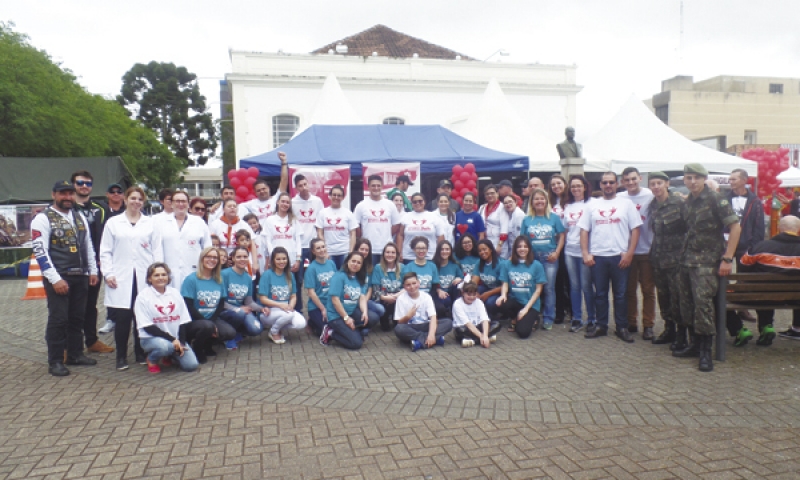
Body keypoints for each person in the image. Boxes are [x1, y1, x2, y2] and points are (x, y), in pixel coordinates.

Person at [32, 180, 100, 376]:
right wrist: (54, 279)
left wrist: (92, 271)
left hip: (80, 275)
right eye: (63, 194)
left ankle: (75, 354)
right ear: (54, 195)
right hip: (59, 276)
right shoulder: (42, 219)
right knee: (58, 319)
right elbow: (40, 252)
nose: (68, 197)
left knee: (77, 318)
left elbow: (88, 246)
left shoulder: (79, 217)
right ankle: (55, 360)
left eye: (70, 194)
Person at [677, 163, 741, 372]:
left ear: (704, 178)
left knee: (703, 306)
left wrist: (727, 258)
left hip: (707, 263)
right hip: (687, 261)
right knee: (688, 306)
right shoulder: (688, 203)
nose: (692, 181)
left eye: (696, 177)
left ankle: (706, 352)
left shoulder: (715, 198)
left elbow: (735, 227)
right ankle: (695, 345)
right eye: (688, 177)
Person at [100, 186, 164, 371]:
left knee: (141, 317)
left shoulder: (150, 223)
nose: (136, 202)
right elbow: (105, 251)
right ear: (126, 199)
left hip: (144, 276)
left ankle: (139, 352)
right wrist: (108, 273)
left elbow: (157, 251)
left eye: (140, 199)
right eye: (133, 198)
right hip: (121, 277)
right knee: (122, 318)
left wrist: (158, 275)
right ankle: (121, 356)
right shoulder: (113, 223)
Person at [577, 172, 641, 343]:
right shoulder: (592, 205)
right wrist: (585, 253)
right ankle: (601, 326)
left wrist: (630, 253)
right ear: (600, 185)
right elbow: (584, 230)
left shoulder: (626, 204)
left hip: (619, 257)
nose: (608, 185)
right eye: (604, 182)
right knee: (600, 294)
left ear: (617, 184)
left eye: (611, 182)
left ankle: (622, 327)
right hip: (598, 257)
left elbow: (635, 229)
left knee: (621, 295)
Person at [70, 170, 114, 354]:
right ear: (73, 184)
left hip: (94, 266)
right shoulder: (66, 207)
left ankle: (92, 341)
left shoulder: (102, 208)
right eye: (80, 182)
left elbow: (109, 236)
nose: (84, 186)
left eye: (88, 183)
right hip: (71, 266)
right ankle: (70, 346)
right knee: (71, 307)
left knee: (90, 305)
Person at [738, 216, 800, 343]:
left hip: (762, 296)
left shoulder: (762, 247)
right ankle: (797, 328)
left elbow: (743, 265)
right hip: (795, 298)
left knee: (763, 289)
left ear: (779, 228)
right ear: (798, 229)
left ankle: (766, 326)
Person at [134, 263, 201, 373]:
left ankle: (170, 355)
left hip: (174, 340)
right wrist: (172, 340)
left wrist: (182, 342)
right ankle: (152, 359)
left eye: (164, 274)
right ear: (149, 278)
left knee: (191, 365)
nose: (161, 278)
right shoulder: (142, 297)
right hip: (150, 339)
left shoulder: (175, 293)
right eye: (156, 275)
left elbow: (183, 321)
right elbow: (147, 326)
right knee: (165, 347)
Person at [647, 172, 687, 347]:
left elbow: (689, 229)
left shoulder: (679, 203)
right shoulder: (652, 205)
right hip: (658, 259)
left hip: (676, 261)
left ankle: (681, 334)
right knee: (663, 297)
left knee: (678, 298)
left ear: (667, 184)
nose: (656, 187)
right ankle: (668, 329)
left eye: (659, 183)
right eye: (653, 184)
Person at [617, 167, 657, 340]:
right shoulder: (620, 198)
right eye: (627, 180)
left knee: (648, 290)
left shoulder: (650, 195)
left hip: (647, 250)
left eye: (634, 179)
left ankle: (648, 325)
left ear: (640, 178)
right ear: (622, 182)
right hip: (628, 252)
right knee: (629, 290)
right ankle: (631, 321)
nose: (631, 183)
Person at [520, 188, 565, 330]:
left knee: (549, 289)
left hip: (549, 258)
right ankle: (533, 316)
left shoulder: (554, 217)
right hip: (532, 259)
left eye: (542, 199)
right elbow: (523, 240)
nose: (539, 201)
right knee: (532, 288)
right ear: (532, 202)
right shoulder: (527, 219)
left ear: (546, 201)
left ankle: (548, 317)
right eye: (536, 199)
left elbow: (562, 235)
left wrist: (557, 252)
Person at [727, 168, 765, 329]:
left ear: (744, 180)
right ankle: (726, 306)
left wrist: (754, 246)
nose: (731, 182)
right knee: (724, 275)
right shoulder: (724, 198)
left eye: (734, 179)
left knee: (744, 277)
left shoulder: (754, 201)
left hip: (745, 244)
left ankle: (742, 307)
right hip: (726, 243)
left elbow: (759, 225)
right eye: (730, 179)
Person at [179, 247, 230, 363]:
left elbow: (221, 303)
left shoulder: (219, 279)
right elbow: (188, 306)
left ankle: (207, 345)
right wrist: (208, 323)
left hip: (211, 318)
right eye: (208, 257)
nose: (212, 260)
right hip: (193, 320)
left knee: (229, 332)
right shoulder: (191, 279)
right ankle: (197, 347)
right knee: (207, 326)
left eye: (215, 257)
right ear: (202, 259)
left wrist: (212, 321)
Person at [319, 251, 377, 349]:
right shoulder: (339, 277)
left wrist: (365, 312)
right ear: (347, 262)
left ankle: (354, 331)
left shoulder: (360, 277)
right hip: (336, 316)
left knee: (373, 318)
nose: (355, 264)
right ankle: (330, 332)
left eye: (359, 262)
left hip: (351, 311)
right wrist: (346, 318)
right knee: (356, 344)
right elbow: (335, 300)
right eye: (353, 261)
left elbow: (362, 297)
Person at [156, 190, 213, 290]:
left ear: (188, 204)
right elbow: (157, 249)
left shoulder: (199, 222)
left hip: (194, 271)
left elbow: (208, 249)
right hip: (169, 272)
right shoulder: (160, 223)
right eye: (177, 201)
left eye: (183, 201)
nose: (180, 204)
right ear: (172, 204)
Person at [562, 175, 596, 333]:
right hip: (570, 251)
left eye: (578, 186)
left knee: (587, 286)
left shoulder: (592, 204)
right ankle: (577, 318)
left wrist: (589, 252)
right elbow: (566, 230)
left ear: (585, 187)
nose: (575, 189)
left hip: (585, 252)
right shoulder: (568, 206)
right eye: (573, 186)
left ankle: (592, 319)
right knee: (574, 287)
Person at [497, 236, 547, 338]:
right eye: (519, 246)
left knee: (523, 333)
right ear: (515, 249)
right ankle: (515, 318)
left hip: (530, 304)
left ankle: (535, 318)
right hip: (516, 301)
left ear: (529, 248)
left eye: (525, 246)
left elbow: (538, 290)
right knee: (500, 303)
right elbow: (505, 283)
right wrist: (503, 295)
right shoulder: (508, 264)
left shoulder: (536, 265)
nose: (522, 249)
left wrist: (526, 310)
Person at [220, 246, 267, 350]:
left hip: (240, 311)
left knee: (257, 329)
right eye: (239, 256)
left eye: (245, 256)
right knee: (239, 313)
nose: (242, 259)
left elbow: (249, 301)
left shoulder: (248, 278)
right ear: (233, 258)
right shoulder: (224, 274)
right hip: (224, 311)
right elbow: (219, 302)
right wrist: (237, 309)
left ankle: (237, 330)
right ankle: (228, 336)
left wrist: (261, 309)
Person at [257, 246, 307, 344]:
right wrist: (281, 305)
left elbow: (293, 296)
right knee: (288, 315)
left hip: (285, 309)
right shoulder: (267, 275)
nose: (281, 261)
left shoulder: (290, 275)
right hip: (269, 311)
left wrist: (291, 306)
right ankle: (274, 331)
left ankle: (278, 325)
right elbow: (263, 299)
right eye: (278, 259)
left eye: (284, 259)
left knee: (301, 323)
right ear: (273, 261)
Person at [263, 192, 303, 309]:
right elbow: (268, 241)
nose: (285, 204)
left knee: (294, 286)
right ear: (277, 202)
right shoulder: (270, 220)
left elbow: (298, 241)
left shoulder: (294, 220)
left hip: (291, 259)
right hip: (277, 259)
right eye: (283, 201)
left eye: (287, 202)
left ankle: (297, 309)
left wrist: (298, 259)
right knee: (278, 285)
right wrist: (272, 257)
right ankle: (276, 308)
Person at [394, 272, 452, 351]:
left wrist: (431, 334)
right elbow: (399, 322)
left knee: (448, 322)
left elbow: (433, 317)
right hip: (411, 327)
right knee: (399, 329)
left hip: (425, 325)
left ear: (418, 282)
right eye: (408, 285)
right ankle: (435, 340)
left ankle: (419, 342)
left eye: (414, 283)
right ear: (404, 286)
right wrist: (408, 316)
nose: (412, 287)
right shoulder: (401, 299)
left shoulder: (426, 296)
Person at [354, 175, 402, 266]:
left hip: (386, 249)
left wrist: (387, 233)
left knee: (384, 277)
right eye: (373, 186)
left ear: (382, 186)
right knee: (368, 276)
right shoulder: (361, 205)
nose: (376, 188)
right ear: (368, 187)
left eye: (378, 185)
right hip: (367, 250)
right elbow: (356, 226)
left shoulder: (390, 204)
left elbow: (397, 225)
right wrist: (363, 237)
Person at [291, 173, 325, 282]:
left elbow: (321, 223)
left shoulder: (317, 201)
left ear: (308, 184)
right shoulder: (292, 203)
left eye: (305, 184)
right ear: (296, 188)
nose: (304, 187)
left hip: (314, 245)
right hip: (299, 245)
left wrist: (321, 240)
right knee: (299, 279)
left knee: (318, 276)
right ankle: (299, 299)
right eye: (300, 186)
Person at [316, 184, 358, 269]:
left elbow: (353, 234)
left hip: (344, 251)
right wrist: (324, 251)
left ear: (343, 197)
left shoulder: (348, 213)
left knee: (344, 276)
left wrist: (350, 252)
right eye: (334, 195)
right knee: (331, 278)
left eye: (339, 195)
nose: (336, 197)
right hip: (329, 252)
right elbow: (320, 232)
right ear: (330, 196)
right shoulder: (323, 213)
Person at [548, 174, 571, 325]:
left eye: (559, 183)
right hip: (555, 245)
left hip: (571, 245)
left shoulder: (571, 202)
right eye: (553, 184)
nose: (556, 186)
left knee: (570, 281)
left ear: (565, 183)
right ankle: (559, 311)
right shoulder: (550, 202)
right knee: (557, 281)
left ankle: (574, 311)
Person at [397, 192, 444, 263]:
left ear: (424, 202)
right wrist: (399, 252)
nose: (417, 203)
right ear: (411, 203)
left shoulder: (434, 217)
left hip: (430, 257)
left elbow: (440, 236)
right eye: (414, 202)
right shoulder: (405, 217)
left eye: (420, 201)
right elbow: (400, 235)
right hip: (409, 257)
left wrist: (439, 254)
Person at [452, 281, 502, 348]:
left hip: (478, 326)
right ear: (463, 293)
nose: (472, 297)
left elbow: (484, 319)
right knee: (461, 330)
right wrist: (482, 337)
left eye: (474, 294)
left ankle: (473, 341)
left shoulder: (479, 302)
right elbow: (467, 324)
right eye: (469, 295)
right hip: (466, 328)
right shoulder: (457, 304)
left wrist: (485, 335)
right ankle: (486, 339)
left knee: (497, 324)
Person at [305, 238, 338, 336]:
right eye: (318, 248)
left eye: (323, 247)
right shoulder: (311, 268)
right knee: (326, 330)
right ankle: (312, 322)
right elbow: (311, 293)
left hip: (331, 304)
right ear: (313, 251)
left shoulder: (331, 263)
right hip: (317, 306)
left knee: (336, 326)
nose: (322, 250)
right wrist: (323, 309)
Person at [371, 242, 404, 331]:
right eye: (387, 252)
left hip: (398, 299)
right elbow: (375, 289)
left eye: (393, 252)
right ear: (384, 254)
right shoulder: (378, 268)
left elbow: (407, 287)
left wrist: (394, 297)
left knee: (398, 325)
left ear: (397, 255)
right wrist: (385, 297)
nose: (390, 255)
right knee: (385, 328)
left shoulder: (402, 268)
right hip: (383, 299)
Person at [475, 239, 506, 322]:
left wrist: (488, 294)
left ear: (491, 249)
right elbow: (474, 281)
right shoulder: (479, 262)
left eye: (484, 249)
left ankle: (491, 317)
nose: (482, 252)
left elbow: (505, 286)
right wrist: (474, 292)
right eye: (480, 251)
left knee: (489, 302)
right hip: (487, 287)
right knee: (472, 293)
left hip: (500, 290)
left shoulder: (501, 264)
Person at [432, 240, 462, 318]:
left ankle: (456, 312)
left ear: (450, 251)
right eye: (442, 249)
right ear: (438, 251)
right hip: (438, 293)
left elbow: (462, 277)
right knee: (445, 300)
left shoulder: (455, 264)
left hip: (452, 291)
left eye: (447, 249)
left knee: (458, 286)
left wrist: (459, 278)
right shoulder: (433, 265)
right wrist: (438, 290)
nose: (444, 251)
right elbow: (429, 282)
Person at [478, 184, 509, 255]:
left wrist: (499, 245)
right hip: (485, 243)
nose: (489, 195)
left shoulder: (502, 207)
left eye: (492, 193)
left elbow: (504, 227)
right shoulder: (482, 207)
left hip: (499, 243)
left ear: (497, 194)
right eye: (487, 194)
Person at [501, 194, 525, 260]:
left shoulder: (518, 215)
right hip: (513, 249)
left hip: (518, 250)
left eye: (510, 201)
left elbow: (519, 236)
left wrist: (515, 254)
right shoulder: (510, 214)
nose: (508, 204)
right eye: (505, 203)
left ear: (516, 202)